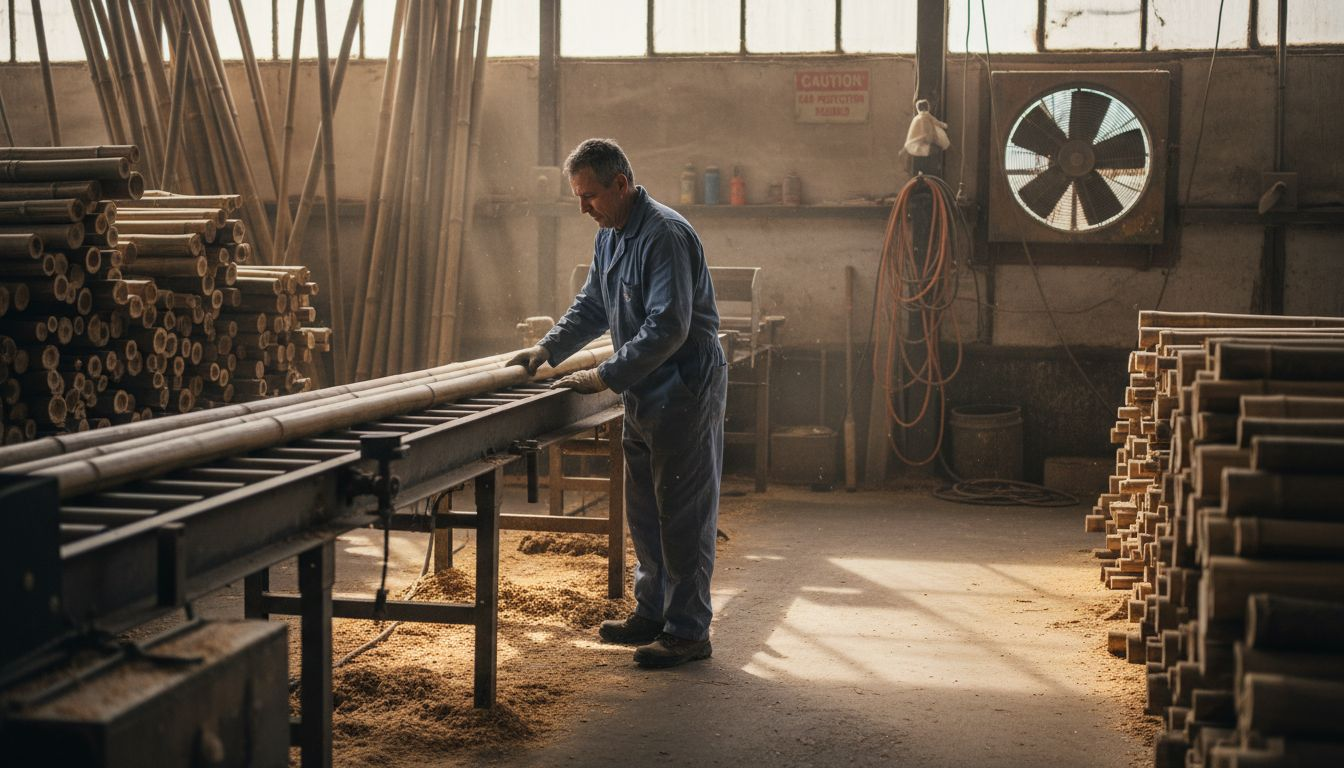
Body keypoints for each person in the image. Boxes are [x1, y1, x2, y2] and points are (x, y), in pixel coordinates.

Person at [508, 138, 726, 669]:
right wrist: (549, 347)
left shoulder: (664, 235)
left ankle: (689, 631)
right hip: (644, 389)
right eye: (578, 197)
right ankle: (652, 613)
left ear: (621, 184)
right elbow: (592, 305)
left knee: (682, 514)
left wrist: (604, 374)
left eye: (589, 196)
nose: (582, 207)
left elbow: (668, 326)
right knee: (646, 513)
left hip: (683, 387)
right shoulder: (611, 234)